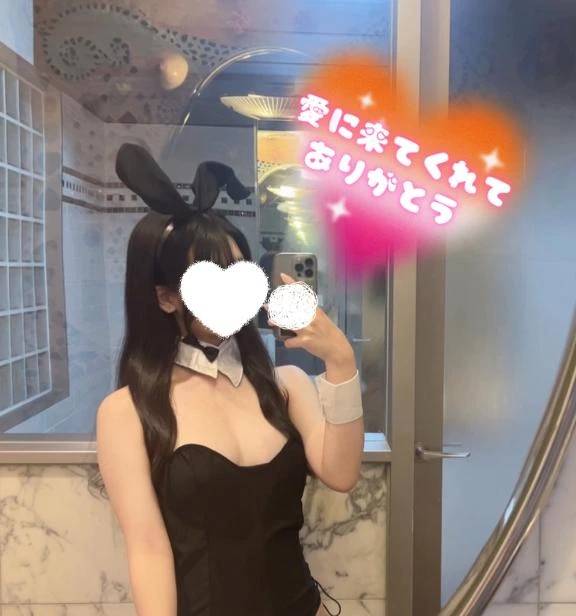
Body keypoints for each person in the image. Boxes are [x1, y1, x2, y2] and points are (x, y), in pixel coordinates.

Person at [96, 144, 365, 616]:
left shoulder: (286, 386)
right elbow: (149, 552)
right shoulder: (128, 411)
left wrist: (341, 364)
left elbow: (341, 475)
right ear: (166, 298)